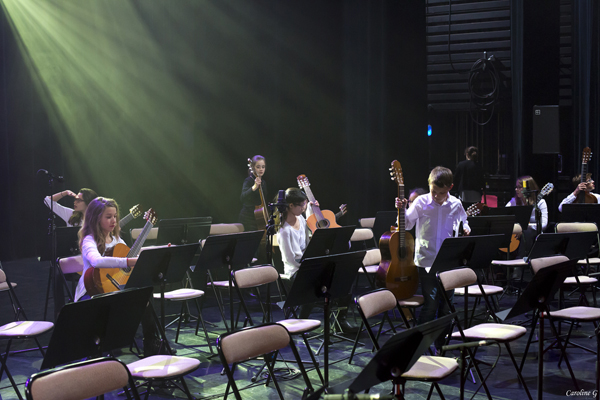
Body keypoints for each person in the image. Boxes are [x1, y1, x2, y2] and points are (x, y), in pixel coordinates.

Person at [396, 166, 470, 351]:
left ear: (450, 187)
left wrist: (466, 228)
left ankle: (441, 346)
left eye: (441, 193)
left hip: (448, 262)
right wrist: (401, 210)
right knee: (430, 304)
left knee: (446, 306)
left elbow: (464, 221)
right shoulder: (421, 202)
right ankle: (420, 345)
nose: (436, 196)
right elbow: (406, 224)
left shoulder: (455, 204)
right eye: (433, 191)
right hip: (426, 260)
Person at [276, 187, 357, 333]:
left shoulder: (300, 219)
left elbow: (310, 237)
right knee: (317, 283)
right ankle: (301, 322)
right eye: (301, 205)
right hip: (296, 271)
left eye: (304, 205)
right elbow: (291, 260)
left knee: (345, 278)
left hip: (311, 264)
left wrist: (311, 208)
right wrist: (313, 263)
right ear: (291, 206)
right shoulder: (284, 231)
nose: (303, 208)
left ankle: (341, 320)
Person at [506, 176, 548, 257]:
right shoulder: (513, 201)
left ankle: (521, 260)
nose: (516, 189)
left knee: (527, 232)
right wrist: (517, 229)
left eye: (519, 187)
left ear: (528, 188)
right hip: (517, 234)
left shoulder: (541, 202)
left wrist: (525, 228)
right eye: (516, 187)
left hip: (533, 234)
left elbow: (544, 224)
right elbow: (505, 216)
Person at [239, 155, 268, 231]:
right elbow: (243, 197)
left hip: (260, 217)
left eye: (263, 167)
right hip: (248, 218)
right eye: (258, 167)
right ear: (253, 168)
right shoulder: (248, 180)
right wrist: (254, 187)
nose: (261, 169)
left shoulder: (263, 183)